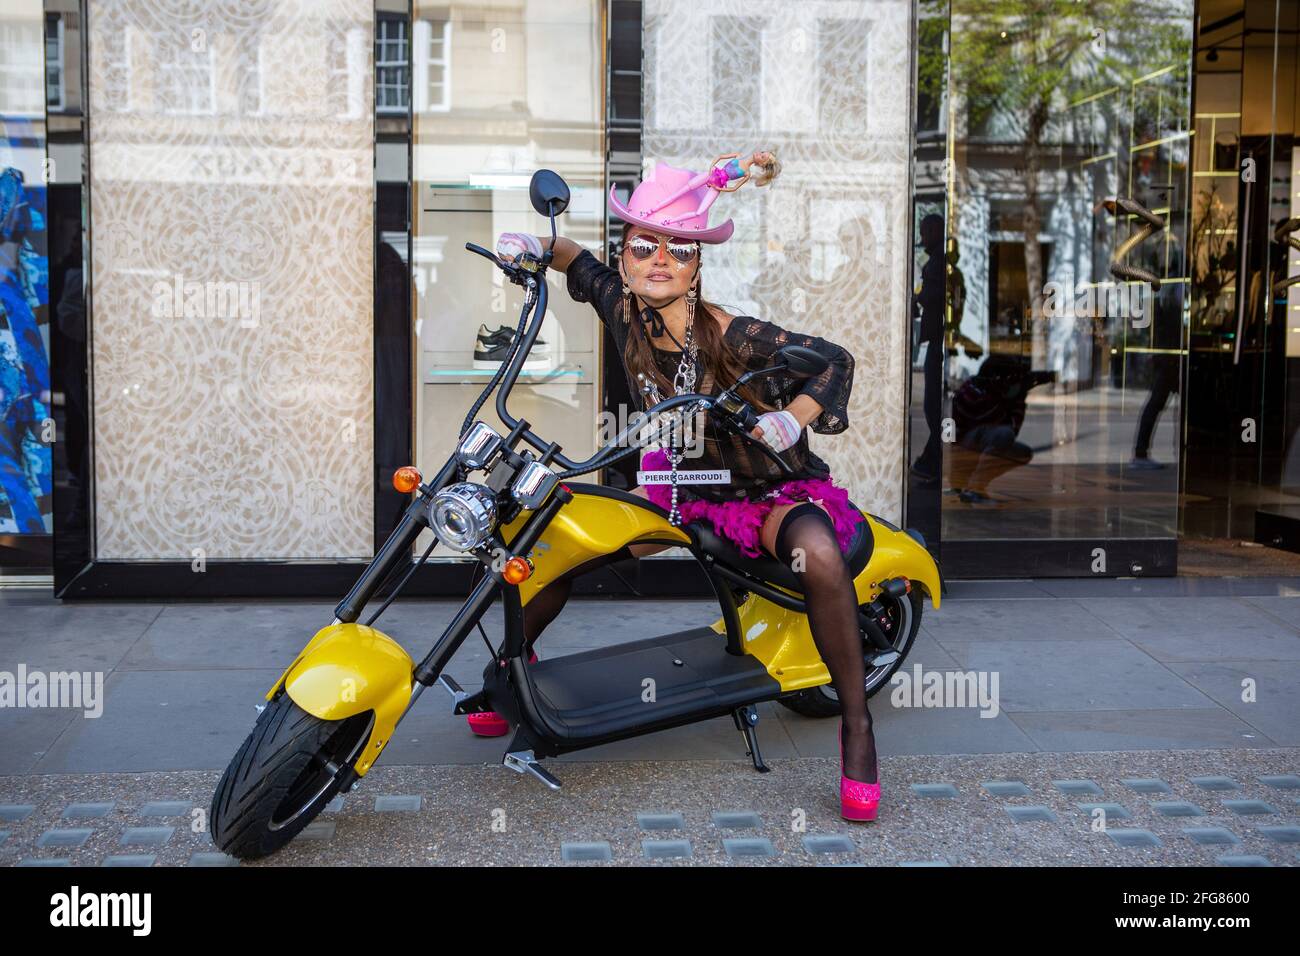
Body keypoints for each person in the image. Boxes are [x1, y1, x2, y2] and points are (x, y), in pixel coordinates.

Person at [471, 151, 881, 821]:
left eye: (680, 251)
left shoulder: (734, 334)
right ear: (628, 258)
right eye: (644, 246)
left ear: (696, 266)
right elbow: (573, 257)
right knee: (558, 550)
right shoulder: (622, 307)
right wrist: (533, 246)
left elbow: (834, 361)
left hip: (764, 493)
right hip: (680, 492)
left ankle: (857, 728)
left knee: (823, 558)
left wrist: (790, 418)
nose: (660, 260)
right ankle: (509, 674)